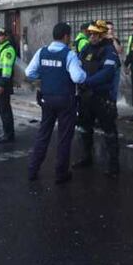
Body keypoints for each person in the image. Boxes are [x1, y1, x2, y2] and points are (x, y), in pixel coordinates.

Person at [26, 23, 87, 184]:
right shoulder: (69, 54)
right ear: (66, 36)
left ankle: (32, 169)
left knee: (43, 135)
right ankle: (61, 174)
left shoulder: (42, 52)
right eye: (69, 36)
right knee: (64, 137)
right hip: (65, 100)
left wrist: (45, 76)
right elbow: (77, 78)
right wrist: (84, 74)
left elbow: (29, 72)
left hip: (47, 99)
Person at [74, 22, 120, 177]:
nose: (91, 37)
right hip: (86, 97)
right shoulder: (86, 48)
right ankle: (87, 157)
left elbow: (107, 73)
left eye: (94, 34)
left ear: (101, 35)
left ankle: (113, 165)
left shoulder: (109, 51)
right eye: (90, 34)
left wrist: (87, 82)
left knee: (109, 131)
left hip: (102, 97)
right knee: (85, 128)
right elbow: (77, 65)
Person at [0, 29, 17, 143]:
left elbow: (7, 70)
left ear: (6, 37)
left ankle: (9, 134)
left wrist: (1, 84)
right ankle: (6, 131)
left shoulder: (8, 50)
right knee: (2, 109)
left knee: (5, 109)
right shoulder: (1, 49)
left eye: (1, 35)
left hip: (3, 83)